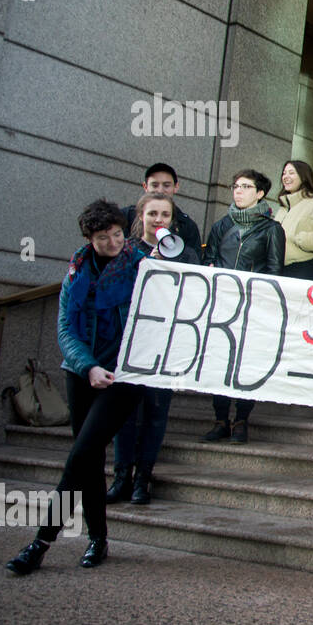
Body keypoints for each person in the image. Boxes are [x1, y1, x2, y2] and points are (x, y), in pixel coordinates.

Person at [6, 200, 150, 574]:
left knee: (81, 454)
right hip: (82, 372)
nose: (115, 242)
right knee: (88, 461)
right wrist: (88, 367)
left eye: (119, 233)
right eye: (105, 238)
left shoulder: (143, 266)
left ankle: (40, 542)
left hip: (123, 376)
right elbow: (66, 330)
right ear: (90, 239)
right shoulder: (76, 272)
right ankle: (98, 539)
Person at [108, 191, 201, 505]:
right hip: (131, 344)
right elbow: (115, 291)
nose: (158, 220)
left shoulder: (185, 253)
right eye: (152, 214)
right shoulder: (125, 251)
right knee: (125, 413)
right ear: (140, 217)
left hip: (167, 343)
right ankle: (122, 476)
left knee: (156, 412)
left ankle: (142, 479)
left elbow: (194, 296)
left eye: (164, 215)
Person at [201, 169, 285, 444]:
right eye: (236, 186)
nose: (238, 191)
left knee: (245, 363)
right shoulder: (221, 226)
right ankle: (220, 419)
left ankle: (241, 421)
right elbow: (208, 261)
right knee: (219, 362)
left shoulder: (272, 229)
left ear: (260, 193)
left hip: (253, 307)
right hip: (222, 305)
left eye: (246, 186)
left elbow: (274, 270)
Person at [121, 162, 203, 257]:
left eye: (166, 185)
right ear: (145, 186)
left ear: (176, 187)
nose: (160, 190)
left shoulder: (187, 225)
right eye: (155, 185)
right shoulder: (126, 217)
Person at [275, 160, 313, 281]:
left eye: (291, 173)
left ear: (304, 177)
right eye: (284, 173)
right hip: (280, 269)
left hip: (305, 268)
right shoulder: (282, 208)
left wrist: (303, 239)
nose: (286, 177)